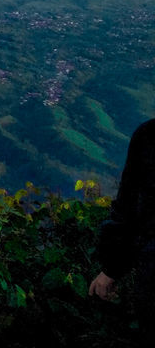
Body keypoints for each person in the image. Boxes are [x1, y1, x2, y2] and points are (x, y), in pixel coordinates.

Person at [89, 118, 155, 336]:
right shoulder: (147, 135)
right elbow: (128, 207)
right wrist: (112, 268)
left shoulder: (148, 135)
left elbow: (127, 208)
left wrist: (112, 269)